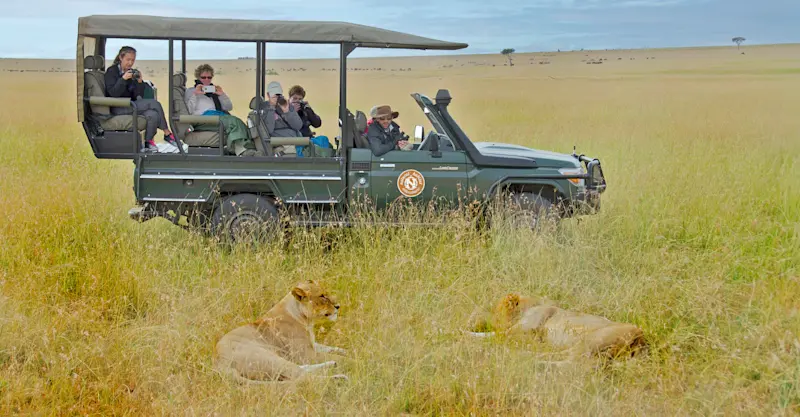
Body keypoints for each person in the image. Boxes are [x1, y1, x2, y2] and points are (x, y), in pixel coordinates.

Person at [105, 46, 176, 152]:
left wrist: (139, 82)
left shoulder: (130, 72)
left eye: (132, 60)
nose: (130, 63)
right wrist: (123, 79)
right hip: (118, 106)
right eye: (128, 60)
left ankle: (148, 142)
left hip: (130, 104)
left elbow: (137, 95)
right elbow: (113, 93)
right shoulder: (111, 71)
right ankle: (167, 133)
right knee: (155, 104)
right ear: (121, 57)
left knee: (152, 114)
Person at [184, 64, 251, 155]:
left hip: (216, 116)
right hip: (203, 119)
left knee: (237, 121)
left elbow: (228, 107)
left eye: (209, 77)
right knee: (234, 122)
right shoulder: (191, 91)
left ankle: (245, 148)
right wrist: (196, 94)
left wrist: (221, 94)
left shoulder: (213, 92)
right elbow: (189, 110)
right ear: (198, 77)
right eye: (203, 77)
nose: (206, 80)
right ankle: (241, 151)